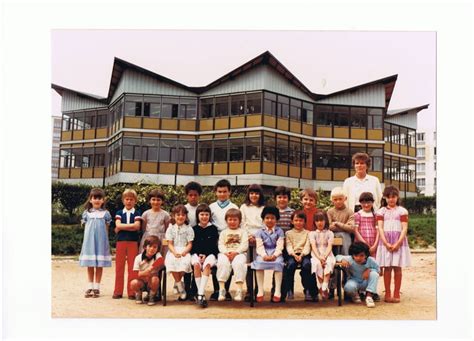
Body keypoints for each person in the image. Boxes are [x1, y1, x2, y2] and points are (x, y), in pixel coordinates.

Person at [376, 185, 412, 303]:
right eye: (389, 197)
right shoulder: (381, 211)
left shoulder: (402, 211)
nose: (391, 199)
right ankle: (388, 293)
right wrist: (386, 243)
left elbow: (404, 228)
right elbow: (380, 228)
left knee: (397, 268)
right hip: (385, 241)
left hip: (398, 241)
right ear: (385, 198)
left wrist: (398, 243)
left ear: (397, 197)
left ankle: (396, 292)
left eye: (394, 197)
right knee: (387, 268)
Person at [79, 188, 112, 298]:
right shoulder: (86, 213)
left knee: (99, 265)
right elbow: (85, 227)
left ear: (103, 200)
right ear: (90, 200)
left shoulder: (106, 214)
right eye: (95, 198)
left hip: (101, 242)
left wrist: (106, 242)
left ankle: (96, 287)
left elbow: (107, 228)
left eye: (99, 198)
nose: (97, 200)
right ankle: (89, 286)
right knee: (90, 264)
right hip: (89, 243)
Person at [209, 179, 238, 301]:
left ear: (229, 192)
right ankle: (217, 290)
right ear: (215, 192)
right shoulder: (211, 207)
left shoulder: (234, 207)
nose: (222, 194)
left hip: (230, 238)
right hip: (215, 238)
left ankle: (226, 290)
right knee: (217, 264)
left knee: (229, 263)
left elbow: (237, 223)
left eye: (224, 191)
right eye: (219, 191)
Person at [251, 206, 285, 303]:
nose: (270, 220)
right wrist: (264, 255)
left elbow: (280, 246)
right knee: (259, 264)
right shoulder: (259, 232)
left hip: (276, 254)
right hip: (263, 254)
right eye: (267, 218)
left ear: (276, 219)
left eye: (272, 218)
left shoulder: (280, 231)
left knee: (278, 264)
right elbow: (259, 246)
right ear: (263, 219)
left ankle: (277, 291)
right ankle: (260, 290)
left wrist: (275, 255)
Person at [113, 189, 142, 299]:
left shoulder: (137, 213)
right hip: (121, 242)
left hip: (133, 242)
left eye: (131, 199)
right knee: (119, 267)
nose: (129, 201)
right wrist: (130, 227)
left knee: (132, 268)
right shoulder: (119, 213)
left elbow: (137, 227)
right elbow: (118, 225)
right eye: (127, 199)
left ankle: (132, 291)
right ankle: (118, 291)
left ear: (135, 201)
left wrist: (122, 227)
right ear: (123, 200)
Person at [216, 208, 249, 302]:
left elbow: (244, 244)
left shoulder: (243, 232)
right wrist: (226, 252)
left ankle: (239, 290)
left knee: (239, 264)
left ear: (239, 221)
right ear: (226, 220)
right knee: (222, 263)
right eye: (230, 219)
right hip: (225, 253)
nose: (232, 222)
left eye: (235, 220)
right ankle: (222, 289)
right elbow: (221, 244)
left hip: (239, 253)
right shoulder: (223, 232)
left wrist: (236, 252)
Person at [336, 242, 380, 308]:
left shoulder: (371, 260)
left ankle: (369, 296)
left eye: (361, 255)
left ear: (366, 255)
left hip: (366, 282)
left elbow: (379, 271)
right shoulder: (350, 259)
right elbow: (337, 256)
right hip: (354, 281)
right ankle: (355, 295)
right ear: (352, 255)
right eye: (356, 256)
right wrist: (343, 260)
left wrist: (369, 270)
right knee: (348, 287)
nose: (358, 258)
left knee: (374, 274)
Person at [191, 204, 219, 308]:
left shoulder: (213, 229)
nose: (204, 217)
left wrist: (205, 255)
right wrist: (199, 255)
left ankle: (200, 294)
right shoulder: (194, 229)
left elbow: (212, 245)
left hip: (210, 254)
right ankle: (201, 295)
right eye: (202, 214)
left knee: (207, 265)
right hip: (196, 254)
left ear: (209, 216)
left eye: (206, 214)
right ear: (198, 215)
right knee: (196, 265)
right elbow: (193, 244)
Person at [240, 184, 265, 300]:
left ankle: (258, 289)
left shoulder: (263, 208)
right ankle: (249, 290)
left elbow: (265, 224)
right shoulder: (244, 207)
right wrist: (248, 236)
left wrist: (257, 237)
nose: (254, 196)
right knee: (247, 265)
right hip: (246, 238)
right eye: (252, 193)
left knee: (258, 265)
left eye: (256, 193)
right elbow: (242, 223)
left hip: (259, 239)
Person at [164, 204, 194, 301]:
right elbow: (170, 244)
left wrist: (185, 251)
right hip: (174, 250)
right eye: (178, 215)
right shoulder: (171, 228)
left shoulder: (189, 228)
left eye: (183, 215)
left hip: (184, 250)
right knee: (171, 261)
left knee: (185, 262)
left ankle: (177, 283)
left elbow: (190, 243)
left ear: (186, 216)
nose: (180, 217)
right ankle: (181, 288)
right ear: (174, 216)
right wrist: (174, 252)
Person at [282, 210, 311, 301]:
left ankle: (307, 290)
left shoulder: (308, 233)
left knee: (307, 265)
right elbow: (288, 245)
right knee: (290, 265)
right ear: (292, 221)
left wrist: (302, 255)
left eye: (301, 220)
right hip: (292, 254)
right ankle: (289, 290)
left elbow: (307, 245)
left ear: (304, 222)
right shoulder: (288, 233)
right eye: (296, 220)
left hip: (304, 254)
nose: (298, 222)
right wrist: (294, 255)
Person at [130, 235, 164, 306]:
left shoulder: (157, 255)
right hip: (141, 281)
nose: (152, 249)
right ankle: (138, 294)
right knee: (133, 283)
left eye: (155, 247)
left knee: (155, 279)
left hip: (151, 282)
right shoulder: (138, 258)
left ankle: (151, 295)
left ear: (157, 249)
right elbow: (134, 274)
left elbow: (161, 260)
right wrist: (145, 273)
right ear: (145, 247)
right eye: (150, 246)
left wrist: (151, 268)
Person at [309, 210, 336, 299]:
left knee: (329, 262)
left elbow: (329, 246)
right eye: (317, 221)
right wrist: (319, 257)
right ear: (314, 222)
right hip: (316, 254)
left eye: (322, 220)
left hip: (327, 253)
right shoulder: (312, 233)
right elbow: (313, 246)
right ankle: (321, 286)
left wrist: (324, 256)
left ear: (326, 221)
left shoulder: (330, 233)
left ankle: (324, 286)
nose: (319, 223)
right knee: (317, 263)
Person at [184, 181, 203, 301]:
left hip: (199, 240)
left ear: (199, 195)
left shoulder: (202, 208)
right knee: (187, 264)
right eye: (190, 195)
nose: (193, 197)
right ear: (187, 195)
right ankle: (186, 290)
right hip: (186, 241)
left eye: (195, 195)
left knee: (196, 264)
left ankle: (195, 290)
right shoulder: (183, 209)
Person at [299, 188, 319, 300]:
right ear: (301, 200)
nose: (308, 202)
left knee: (312, 265)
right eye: (305, 199)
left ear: (315, 201)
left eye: (311, 200)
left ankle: (314, 291)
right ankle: (309, 290)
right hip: (303, 247)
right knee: (306, 266)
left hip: (317, 246)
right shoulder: (299, 214)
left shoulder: (319, 213)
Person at [139, 189, 170, 253]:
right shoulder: (146, 214)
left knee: (160, 256)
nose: (156, 202)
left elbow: (167, 230)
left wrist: (165, 243)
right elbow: (143, 229)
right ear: (149, 201)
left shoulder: (165, 215)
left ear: (162, 201)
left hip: (161, 238)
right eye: (153, 199)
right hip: (148, 237)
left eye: (158, 200)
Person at [327, 187, 355, 256]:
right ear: (332, 200)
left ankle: (346, 258)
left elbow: (351, 228)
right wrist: (345, 226)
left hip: (346, 236)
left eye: (340, 199)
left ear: (345, 199)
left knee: (344, 235)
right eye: (335, 199)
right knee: (342, 234)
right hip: (332, 235)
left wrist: (337, 224)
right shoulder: (330, 212)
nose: (338, 201)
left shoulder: (349, 212)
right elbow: (328, 227)